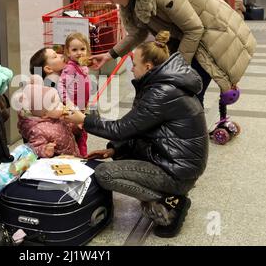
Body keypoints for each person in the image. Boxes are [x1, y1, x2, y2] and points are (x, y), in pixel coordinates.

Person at [65, 31, 208, 238]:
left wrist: (83, 120)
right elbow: (137, 129)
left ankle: (170, 201)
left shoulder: (161, 93)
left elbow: (123, 128)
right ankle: (169, 193)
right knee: (119, 150)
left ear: (148, 67)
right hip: (176, 162)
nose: (131, 68)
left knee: (104, 174)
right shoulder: (164, 85)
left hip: (176, 171)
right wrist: (114, 149)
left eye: (134, 63)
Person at [91, 0, 256, 107]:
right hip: (188, 37)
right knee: (180, 93)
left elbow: (194, 29)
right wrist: (109, 55)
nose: (111, 3)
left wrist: (178, 68)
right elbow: (137, 33)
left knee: (189, 95)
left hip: (213, 33)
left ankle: (192, 138)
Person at [16, 75, 80, 158]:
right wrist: (44, 150)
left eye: (59, 102)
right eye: (56, 105)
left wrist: (76, 124)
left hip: (72, 153)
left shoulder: (57, 117)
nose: (61, 105)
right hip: (60, 162)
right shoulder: (38, 130)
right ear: (45, 115)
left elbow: (68, 128)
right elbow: (34, 148)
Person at [58, 33, 92, 157]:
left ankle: (83, 156)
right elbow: (61, 85)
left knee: (83, 133)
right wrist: (69, 103)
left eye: (82, 49)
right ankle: (79, 157)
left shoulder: (82, 66)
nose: (79, 53)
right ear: (67, 52)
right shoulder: (70, 68)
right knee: (75, 134)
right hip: (73, 109)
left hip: (82, 107)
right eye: (74, 50)